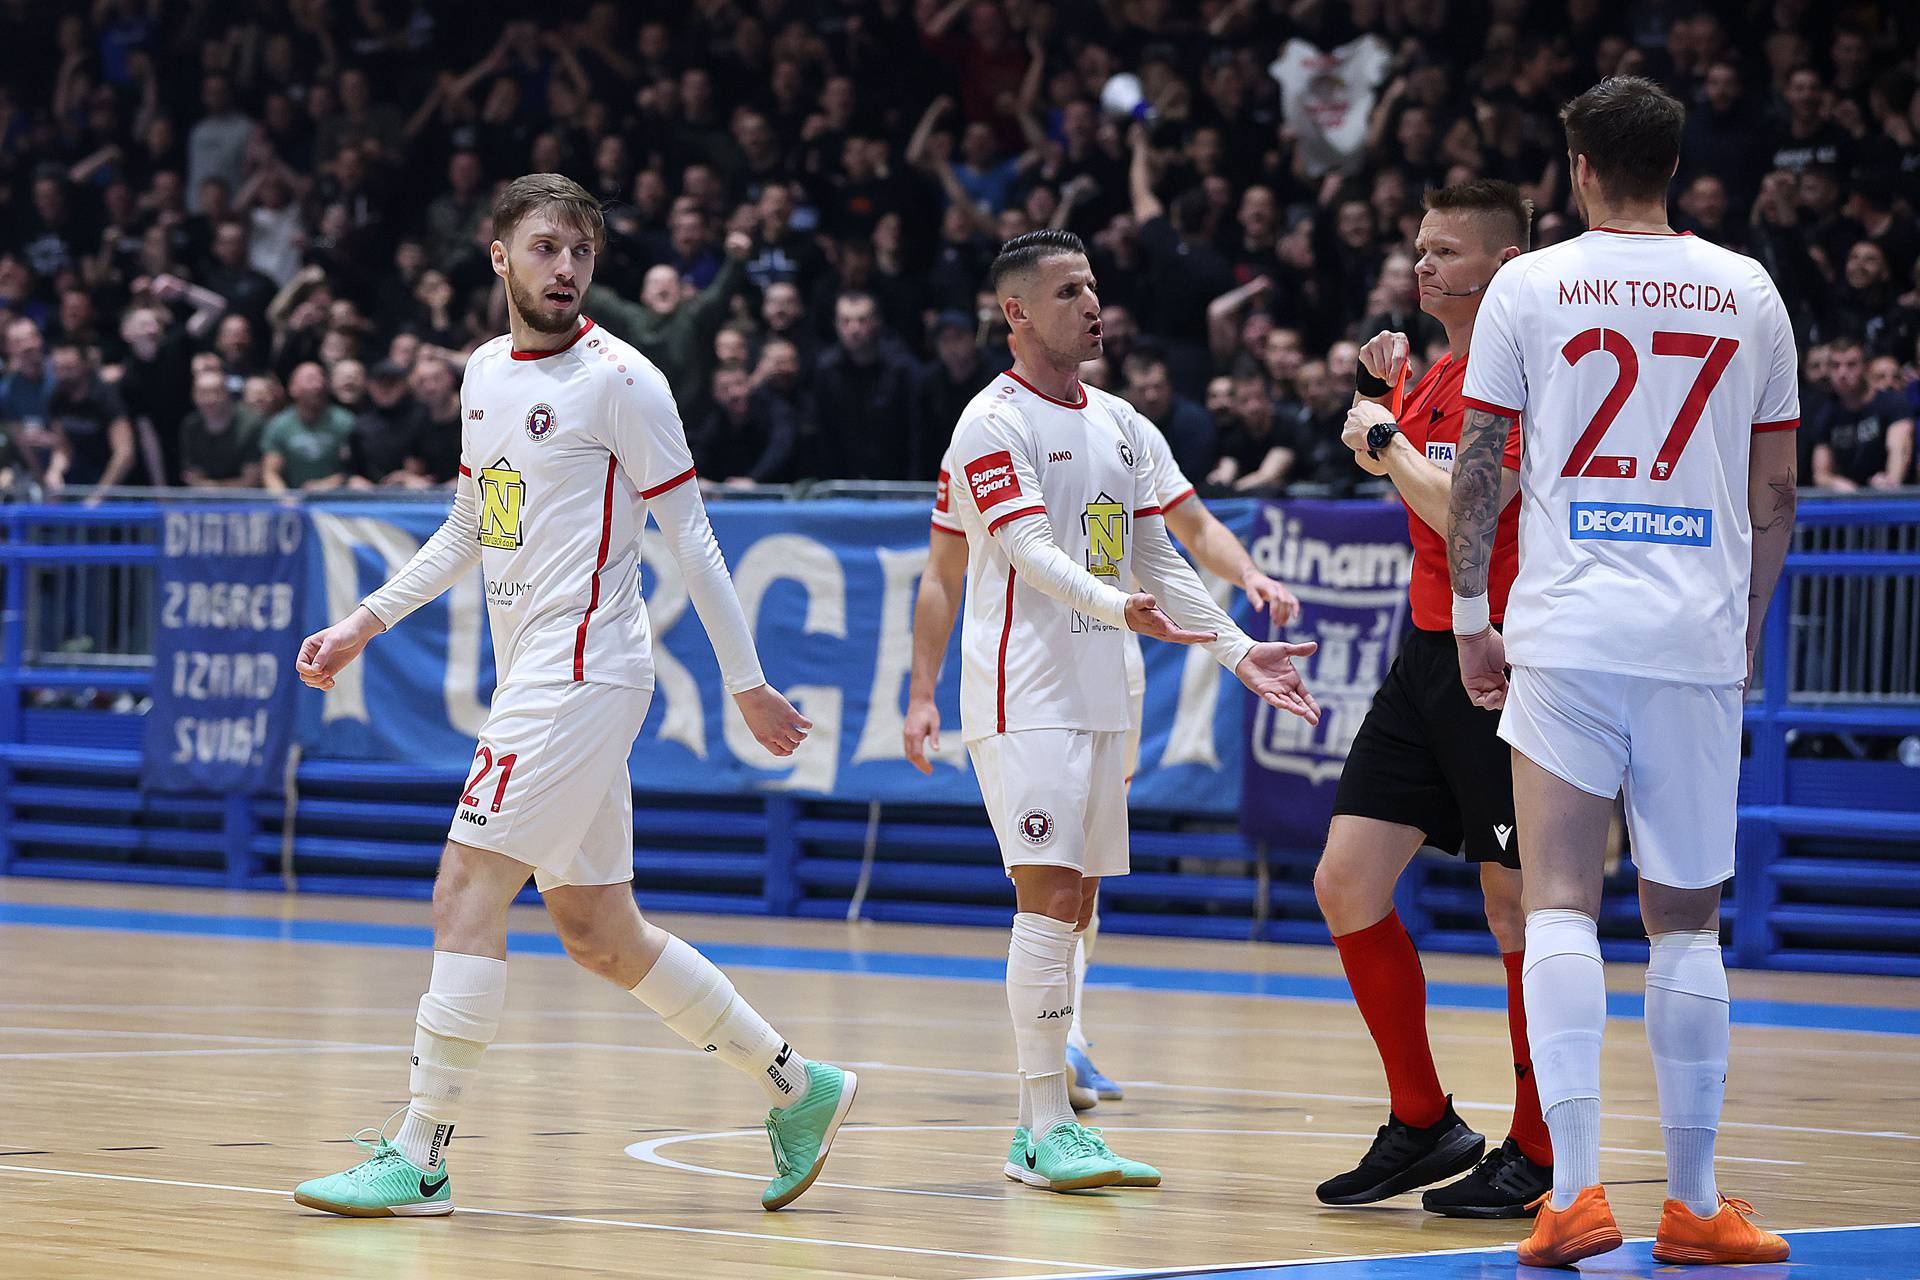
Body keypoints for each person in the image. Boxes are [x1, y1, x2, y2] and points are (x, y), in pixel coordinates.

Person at [290, 174, 855, 1218]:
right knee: (600, 930)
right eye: (546, 247)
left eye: (582, 253)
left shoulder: (622, 381)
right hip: (547, 671)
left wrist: (747, 683)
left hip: (582, 667)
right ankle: (799, 1083)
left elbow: (693, 535)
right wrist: (365, 620)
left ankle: (420, 1152)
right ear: (498, 255)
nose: (566, 268)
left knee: (465, 887)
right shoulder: (483, 373)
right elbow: (471, 525)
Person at [1446, 77, 1797, 1267]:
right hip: (1693, 634)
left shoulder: (1528, 284)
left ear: (1580, 168)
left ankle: (1576, 1194)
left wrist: (1468, 613)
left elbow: (1482, 458)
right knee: (1685, 923)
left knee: (1557, 900)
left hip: (1565, 630)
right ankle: (1694, 1201)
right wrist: (1744, 628)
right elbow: (1779, 491)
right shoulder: (1749, 289)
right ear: (1678, 164)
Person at [927, 228, 1320, 1192]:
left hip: (1106, 693)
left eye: (1094, 286)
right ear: (1015, 313)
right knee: (1048, 899)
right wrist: (1116, 606)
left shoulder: (1121, 423)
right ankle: (1038, 1126)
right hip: (1027, 694)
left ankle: (1050, 1124)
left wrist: (1234, 649)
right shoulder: (991, 420)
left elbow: (1159, 556)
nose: (1093, 304)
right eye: (1069, 291)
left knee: (1080, 904)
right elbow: (1023, 547)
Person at [1315, 179, 1550, 1219]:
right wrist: (1396, 395)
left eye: (1444, 252)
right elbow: (1425, 471)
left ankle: (1538, 1148)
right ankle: (1425, 1120)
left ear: (1501, 266)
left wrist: (1378, 435)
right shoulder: (1442, 369)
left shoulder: (1519, 372)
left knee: (1516, 904)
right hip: (1422, 658)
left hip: (1499, 659)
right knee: (1345, 881)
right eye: (1419, 247)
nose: (1421, 266)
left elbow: (1466, 506)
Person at [1808, 336, 1913, 490]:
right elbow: (1821, 474)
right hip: (1850, 502)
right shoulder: (1826, 414)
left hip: (1894, 499)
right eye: (1836, 366)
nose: (1842, 373)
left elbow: (1900, 448)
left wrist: (1891, 479)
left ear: (1865, 368)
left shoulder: (1892, 403)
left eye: (1851, 365)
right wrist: (1837, 484)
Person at [260, 361, 354, 491]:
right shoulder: (280, 425)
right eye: (310, 379)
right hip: (295, 500)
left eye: (321, 379)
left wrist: (329, 483)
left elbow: (355, 470)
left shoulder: (344, 421)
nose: (318, 385)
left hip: (338, 500)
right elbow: (271, 472)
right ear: (293, 388)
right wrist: (284, 497)